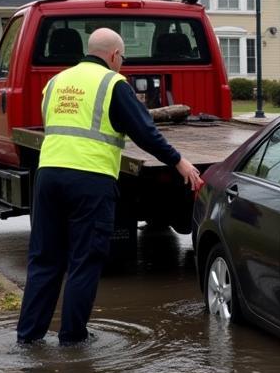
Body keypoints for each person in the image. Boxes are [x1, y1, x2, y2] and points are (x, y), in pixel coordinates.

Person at [16, 27, 202, 345]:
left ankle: (28, 337)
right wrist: (179, 161)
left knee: (45, 260)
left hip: (47, 177)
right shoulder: (112, 84)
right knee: (84, 260)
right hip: (89, 180)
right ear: (114, 55)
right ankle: (72, 338)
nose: (122, 64)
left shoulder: (56, 83)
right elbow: (145, 132)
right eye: (123, 58)